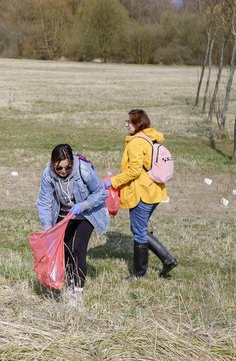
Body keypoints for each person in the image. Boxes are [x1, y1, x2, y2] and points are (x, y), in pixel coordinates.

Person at [106, 108, 178, 279]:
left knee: (138, 231)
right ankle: (166, 260)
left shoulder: (136, 143)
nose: (126, 124)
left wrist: (113, 182)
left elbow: (134, 171)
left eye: (129, 122)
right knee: (140, 228)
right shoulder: (149, 136)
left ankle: (140, 273)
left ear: (137, 124)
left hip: (142, 192)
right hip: (154, 191)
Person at [36, 143, 109, 306]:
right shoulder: (48, 174)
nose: (63, 171)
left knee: (78, 248)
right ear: (53, 163)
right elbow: (44, 201)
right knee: (65, 249)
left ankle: (78, 291)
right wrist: (47, 227)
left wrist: (82, 206)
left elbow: (101, 193)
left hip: (87, 212)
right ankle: (70, 284)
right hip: (65, 213)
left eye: (67, 168)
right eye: (59, 168)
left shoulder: (83, 170)